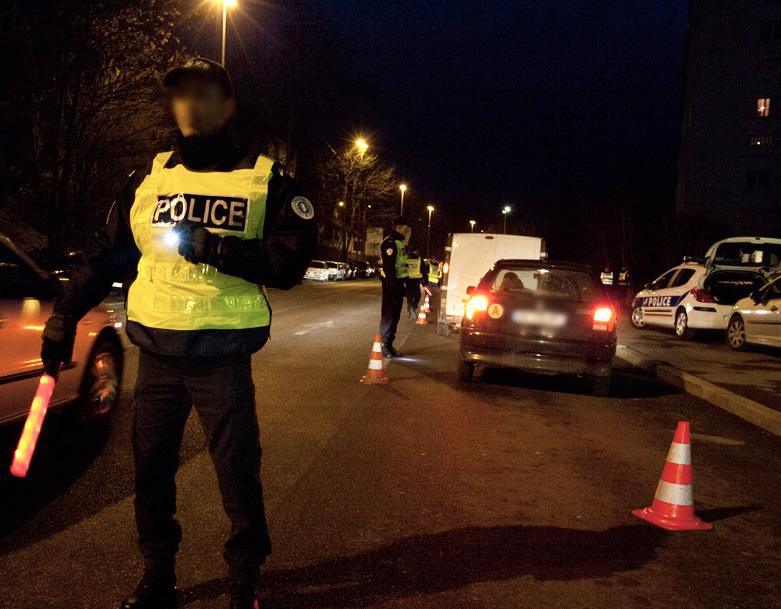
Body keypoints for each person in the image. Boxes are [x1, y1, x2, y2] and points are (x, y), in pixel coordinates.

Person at [39, 57, 316, 609]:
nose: (191, 104)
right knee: (152, 472)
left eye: (204, 94)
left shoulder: (265, 179)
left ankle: (244, 581)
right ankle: (157, 576)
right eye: (181, 95)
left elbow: (288, 264)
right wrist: (65, 315)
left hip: (222, 356)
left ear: (227, 105)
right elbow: (105, 255)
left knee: (238, 474)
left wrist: (216, 247)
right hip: (159, 353)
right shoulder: (150, 177)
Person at [378, 216, 412, 357]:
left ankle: (389, 344)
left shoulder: (399, 243)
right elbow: (389, 267)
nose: (408, 230)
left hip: (398, 285)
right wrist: (393, 285)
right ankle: (383, 345)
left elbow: (402, 266)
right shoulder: (390, 243)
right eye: (406, 228)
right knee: (388, 315)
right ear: (398, 227)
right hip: (391, 285)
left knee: (395, 316)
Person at [405, 249, 424, 320]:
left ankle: (411, 312)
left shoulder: (406, 259)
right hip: (416, 281)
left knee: (409, 298)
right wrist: (425, 281)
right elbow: (423, 270)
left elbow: (403, 269)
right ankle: (412, 309)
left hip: (408, 280)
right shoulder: (419, 260)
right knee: (417, 297)